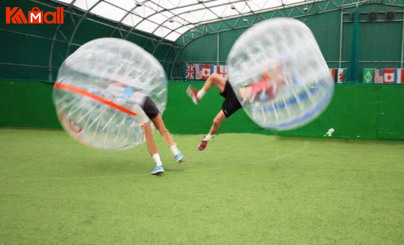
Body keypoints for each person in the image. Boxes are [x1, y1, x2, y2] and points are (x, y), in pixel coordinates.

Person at [186, 65, 283, 151]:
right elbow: (270, 70)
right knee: (213, 76)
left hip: (237, 102)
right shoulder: (266, 79)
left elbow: (263, 98)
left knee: (216, 121)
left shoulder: (271, 92)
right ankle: (198, 96)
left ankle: (207, 139)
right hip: (234, 90)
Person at [108, 82, 185, 175]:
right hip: (146, 100)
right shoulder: (124, 79)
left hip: (136, 105)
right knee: (162, 128)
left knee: (149, 135)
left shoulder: (111, 88)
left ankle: (159, 164)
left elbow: (118, 103)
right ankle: (177, 153)